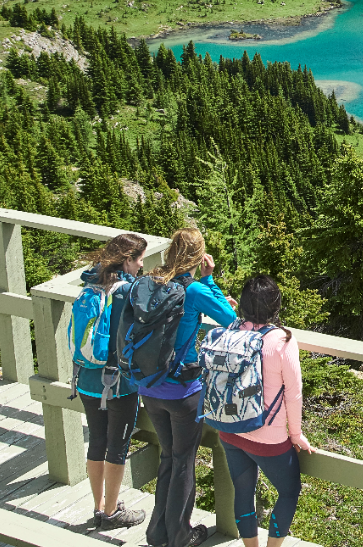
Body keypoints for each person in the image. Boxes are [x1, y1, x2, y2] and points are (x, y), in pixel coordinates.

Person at [130, 227, 237, 547]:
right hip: (183, 390)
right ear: (198, 256)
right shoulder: (193, 290)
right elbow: (231, 318)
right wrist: (209, 280)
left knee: (168, 457)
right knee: (183, 462)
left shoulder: (150, 280)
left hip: (148, 386)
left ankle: (157, 532)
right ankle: (180, 534)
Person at [216, 275, 312, 547]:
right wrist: (295, 434)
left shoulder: (231, 330)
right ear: (276, 306)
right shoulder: (281, 340)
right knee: (289, 491)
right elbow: (293, 394)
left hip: (231, 429)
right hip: (267, 437)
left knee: (243, 492)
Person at [73, 232, 148, 531]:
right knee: (117, 447)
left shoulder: (92, 282)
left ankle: (97, 507)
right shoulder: (128, 291)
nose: (141, 266)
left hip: (86, 378)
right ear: (128, 260)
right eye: (140, 260)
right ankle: (112, 512)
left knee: (97, 441)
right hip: (118, 384)